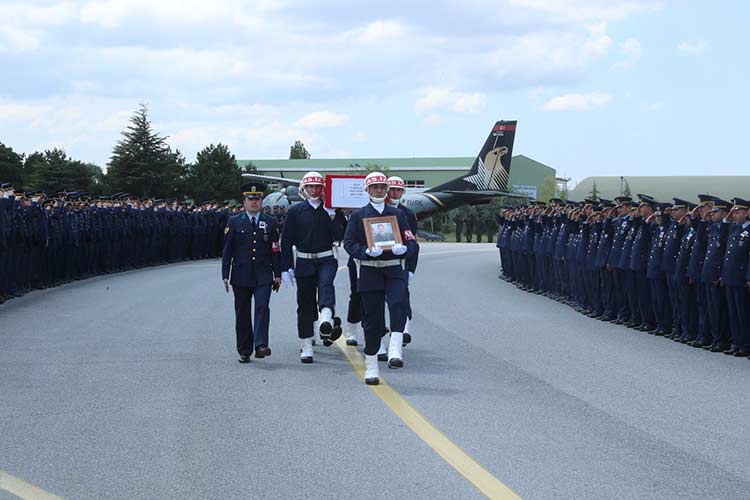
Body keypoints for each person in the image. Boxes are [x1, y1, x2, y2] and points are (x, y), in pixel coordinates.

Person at [344, 172, 417, 385]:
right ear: (367, 190)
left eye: (382, 187)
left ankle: (395, 347)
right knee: (373, 321)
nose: (379, 190)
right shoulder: (358, 216)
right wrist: (365, 251)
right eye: (374, 187)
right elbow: (349, 243)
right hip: (369, 271)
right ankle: (372, 366)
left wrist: (404, 249)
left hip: (394, 269)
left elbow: (412, 242)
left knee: (398, 304)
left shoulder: (398, 214)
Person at [281, 171, 346, 363]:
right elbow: (286, 241)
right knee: (305, 302)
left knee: (326, 285)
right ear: (304, 189)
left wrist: (334, 216)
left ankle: (326, 318)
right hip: (303, 260)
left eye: (318, 186)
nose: (315, 190)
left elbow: (340, 235)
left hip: (326, 258)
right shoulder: (295, 211)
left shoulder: (333, 210)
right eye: (311, 186)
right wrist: (285, 267)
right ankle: (307, 343)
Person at [221, 182, 281, 363]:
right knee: (242, 312)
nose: (254, 202)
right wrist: (225, 274)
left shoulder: (270, 222)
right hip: (240, 275)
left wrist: (277, 274)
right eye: (250, 199)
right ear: (244, 201)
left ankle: (261, 345)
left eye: (257, 199)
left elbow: (275, 250)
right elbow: (227, 250)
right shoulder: (234, 221)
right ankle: (244, 349)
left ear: (262, 200)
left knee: (262, 307)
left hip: (263, 274)